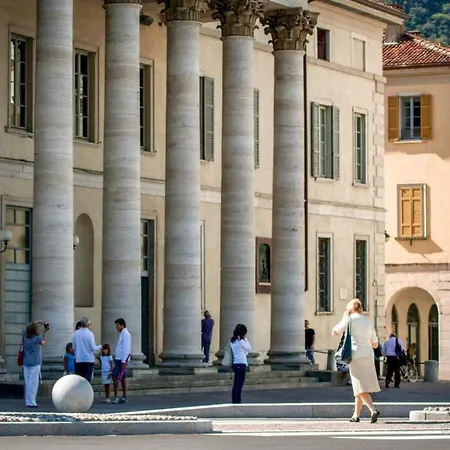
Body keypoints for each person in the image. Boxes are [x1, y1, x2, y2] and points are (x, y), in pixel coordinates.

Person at [332, 299, 380, 423]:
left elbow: (335, 331)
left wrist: (344, 317)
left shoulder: (349, 319)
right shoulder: (367, 322)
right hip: (368, 354)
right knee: (359, 385)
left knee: (359, 386)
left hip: (355, 354)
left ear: (349, 309)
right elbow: (375, 344)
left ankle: (373, 410)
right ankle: (356, 415)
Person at [22, 322, 46, 407]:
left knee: (28, 382)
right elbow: (43, 342)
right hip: (35, 362)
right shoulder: (38, 338)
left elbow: (26, 329)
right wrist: (44, 331)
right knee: (33, 383)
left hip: (26, 362)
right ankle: (31, 402)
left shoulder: (25, 336)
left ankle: (28, 401)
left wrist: (37, 322)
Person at [72, 317, 101, 382]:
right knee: (87, 380)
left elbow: (73, 347)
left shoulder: (75, 333)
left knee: (79, 380)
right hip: (88, 360)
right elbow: (93, 348)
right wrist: (100, 346)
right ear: (88, 324)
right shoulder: (90, 334)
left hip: (78, 359)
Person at [230, 323, 251, 404]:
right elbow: (249, 348)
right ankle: (237, 401)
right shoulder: (242, 341)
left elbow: (244, 351)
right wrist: (246, 339)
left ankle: (234, 400)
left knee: (236, 384)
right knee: (240, 384)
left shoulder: (233, 341)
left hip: (235, 363)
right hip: (241, 363)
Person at [112, 318, 132, 404]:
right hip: (119, 359)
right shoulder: (122, 334)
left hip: (121, 360)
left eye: (117, 325)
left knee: (116, 377)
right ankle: (124, 396)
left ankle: (116, 397)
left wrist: (124, 361)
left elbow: (126, 348)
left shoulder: (126, 334)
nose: (116, 327)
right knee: (122, 378)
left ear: (122, 325)